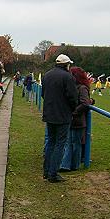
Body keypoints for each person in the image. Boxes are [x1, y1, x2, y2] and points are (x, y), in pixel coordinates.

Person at [41, 54, 78, 183]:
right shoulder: (68, 77)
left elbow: (43, 94)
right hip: (62, 115)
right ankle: (53, 173)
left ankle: (46, 171)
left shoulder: (47, 75)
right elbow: (73, 97)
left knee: (50, 142)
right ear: (67, 64)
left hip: (49, 114)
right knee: (60, 144)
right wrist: (72, 109)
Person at [60, 67, 93, 172]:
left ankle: (71, 164)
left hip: (74, 119)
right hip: (75, 119)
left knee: (73, 142)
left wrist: (73, 113)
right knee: (73, 142)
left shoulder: (79, 88)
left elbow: (84, 103)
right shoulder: (80, 87)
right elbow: (85, 103)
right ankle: (70, 164)